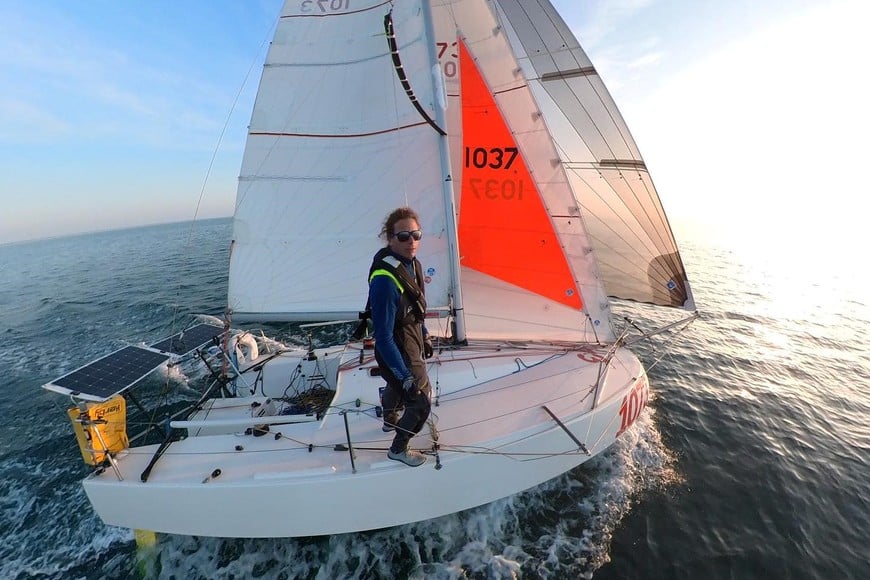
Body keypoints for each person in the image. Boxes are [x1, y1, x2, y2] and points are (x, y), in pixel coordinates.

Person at [368, 207, 435, 467]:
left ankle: (389, 420)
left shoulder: (413, 265)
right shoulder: (385, 281)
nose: (412, 242)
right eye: (404, 236)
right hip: (395, 348)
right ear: (390, 238)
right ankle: (398, 448)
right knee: (420, 404)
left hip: (412, 336)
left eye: (416, 235)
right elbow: (383, 337)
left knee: (396, 387)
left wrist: (425, 335)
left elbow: (416, 311)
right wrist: (405, 377)